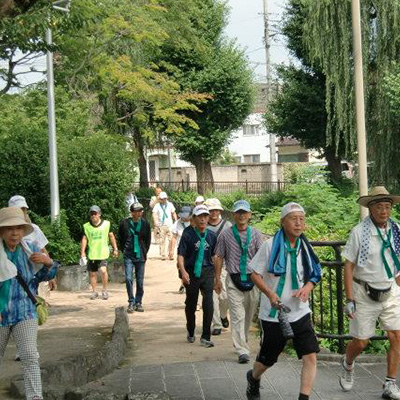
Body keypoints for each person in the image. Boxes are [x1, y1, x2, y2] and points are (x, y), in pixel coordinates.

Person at [246, 202, 322, 400]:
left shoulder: (305, 247)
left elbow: (315, 273)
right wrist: (270, 294)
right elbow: (254, 273)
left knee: (310, 355)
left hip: (301, 311)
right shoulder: (270, 245)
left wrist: (307, 288)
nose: (298, 223)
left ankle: (303, 398)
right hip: (274, 314)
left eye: (301, 219)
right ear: (282, 222)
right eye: (293, 219)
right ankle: (253, 377)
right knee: (268, 359)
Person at [339, 186, 400, 399]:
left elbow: (396, 261)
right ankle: (348, 363)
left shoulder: (396, 229)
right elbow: (348, 265)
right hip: (364, 292)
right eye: (379, 207)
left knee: (396, 336)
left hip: (390, 290)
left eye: (387, 207)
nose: (384, 211)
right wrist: (349, 299)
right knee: (361, 341)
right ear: (371, 209)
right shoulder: (359, 232)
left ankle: (390, 383)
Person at [0, 207, 58, 400]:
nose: (14, 233)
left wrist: (48, 262)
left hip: (24, 312)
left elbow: (42, 276)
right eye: (9, 228)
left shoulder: (28, 251)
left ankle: (35, 397)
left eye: (18, 228)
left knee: (30, 356)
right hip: (1, 314)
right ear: (1, 231)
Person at [214, 200, 264, 363]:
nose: (242, 215)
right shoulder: (226, 234)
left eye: (245, 212)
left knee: (248, 315)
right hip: (233, 279)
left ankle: (243, 340)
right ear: (234, 215)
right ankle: (242, 349)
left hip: (252, 279)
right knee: (237, 315)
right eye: (239, 212)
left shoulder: (256, 234)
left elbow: (262, 257)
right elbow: (219, 256)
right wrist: (217, 279)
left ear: (249, 215)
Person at [178, 204, 217, 348]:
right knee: (191, 303)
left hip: (207, 272)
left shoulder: (212, 235)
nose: (203, 219)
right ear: (194, 218)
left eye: (205, 216)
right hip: (191, 272)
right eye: (200, 216)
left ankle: (206, 336)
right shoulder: (188, 234)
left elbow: (215, 256)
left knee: (208, 304)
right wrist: (183, 272)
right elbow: (180, 255)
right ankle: (190, 330)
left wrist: (217, 277)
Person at [204, 198, 232, 336]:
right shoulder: (202, 225)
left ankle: (222, 315)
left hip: (225, 265)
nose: (214, 212)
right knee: (212, 296)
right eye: (211, 210)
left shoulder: (227, 226)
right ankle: (216, 324)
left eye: (216, 210)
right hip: (208, 265)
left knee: (225, 296)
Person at [118, 203, 151, 313]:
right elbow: (120, 238)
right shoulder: (125, 223)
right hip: (128, 254)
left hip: (140, 255)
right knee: (128, 278)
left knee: (140, 281)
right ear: (132, 212)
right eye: (137, 211)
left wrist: (144, 251)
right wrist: (124, 250)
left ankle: (138, 302)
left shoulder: (145, 223)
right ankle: (131, 301)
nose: (139, 213)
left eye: (140, 211)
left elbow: (148, 240)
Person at [81, 205, 118, 300]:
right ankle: (94, 292)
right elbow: (84, 239)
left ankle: (104, 290)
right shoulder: (87, 226)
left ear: (99, 214)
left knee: (103, 270)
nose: (93, 215)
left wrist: (115, 249)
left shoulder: (106, 224)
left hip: (103, 253)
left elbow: (111, 236)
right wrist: (82, 252)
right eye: (92, 214)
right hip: (92, 254)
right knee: (92, 274)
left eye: (95, 213)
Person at [169, 206, 192, 293]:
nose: (184, 217)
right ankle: (183, 283)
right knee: (180, 267)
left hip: (193, 249)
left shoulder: (195, 222)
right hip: (181, 250)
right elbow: (174, 237)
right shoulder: (177, 223)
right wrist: (171, 250)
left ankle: (188, 284)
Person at [152, 192, 177, 260]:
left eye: (165, 198)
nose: (164, 200)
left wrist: (176, 220)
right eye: (162, 199)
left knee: (171, 240)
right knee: (162, 240)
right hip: (161, 225)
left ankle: (170, 253)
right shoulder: (157, 205)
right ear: (160, 199)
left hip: (170, 225)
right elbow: (154, 214)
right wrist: (156, 222)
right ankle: (163, 254)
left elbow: (173, 212)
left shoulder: (170, 204)